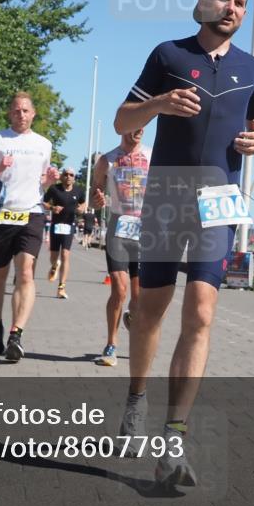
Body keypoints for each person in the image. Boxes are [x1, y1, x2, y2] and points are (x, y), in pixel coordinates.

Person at [113, 0, 254, 485]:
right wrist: (158, 104)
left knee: (200, 313)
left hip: (221, 199)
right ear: (203, 3)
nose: (233, 8)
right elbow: (121, 119)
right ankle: (136, 397)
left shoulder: (252, 68)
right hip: (165, 197)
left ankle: (174, 438)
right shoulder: (168, 56)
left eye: (241, 3)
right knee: (150, 311)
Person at [0, 92, 58, 362]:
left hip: (31, 214)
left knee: (26, 272)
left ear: (34, 114)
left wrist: (50, 181)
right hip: (1, 215)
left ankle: (15, 334)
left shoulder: (44, 144)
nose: (21, 114)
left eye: (25, 111)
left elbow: (39, 184)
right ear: (10, 114)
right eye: (16, 110)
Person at [91, 127, 151, 366]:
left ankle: (133, 324)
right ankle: (111, 345)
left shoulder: (152, 156)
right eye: (132, 126)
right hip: (118, 224)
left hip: (145, 227)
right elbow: (95, 191)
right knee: (119, 289)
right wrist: (97, 199)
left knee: (138, 297)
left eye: (141, 127)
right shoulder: (107, 160)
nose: (136, 131)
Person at [43, 167, 85, 298]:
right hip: (56, 225)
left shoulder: (79, 190)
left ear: (74, 177)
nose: (68, 176)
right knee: (54, 256)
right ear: (62, 176)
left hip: (69, 226)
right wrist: (52, 207)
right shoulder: (54, 189)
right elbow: (43, 202)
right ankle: (55, 265)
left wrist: (80, 209)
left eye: (71, 175)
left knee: (66, 254)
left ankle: (61, 287)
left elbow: (83, 204)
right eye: (65, 174)